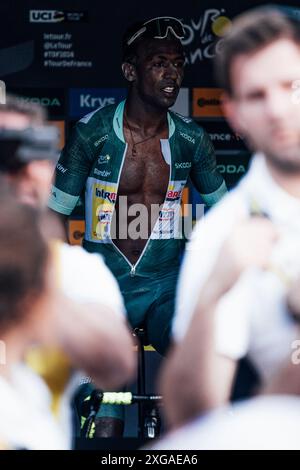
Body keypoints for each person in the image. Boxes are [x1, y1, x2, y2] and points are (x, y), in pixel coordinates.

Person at [47, 16, 227, 433]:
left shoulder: (192, 138)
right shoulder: (91, 134)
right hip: (107, 289)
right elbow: (54, 217)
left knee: (197, 386)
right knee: (106, 420)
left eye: (178, 63)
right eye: (159, 62)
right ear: (130, 71)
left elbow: (224, 214)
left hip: (166, 288)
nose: (172, 74)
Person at [164, 7, 300, 428]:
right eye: (257, 95)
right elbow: (193, 418)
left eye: (292, 86)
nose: (277, 109)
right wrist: (213, 293)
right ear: (234, 114)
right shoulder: (224, 235)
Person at [0, 97, 136, 440]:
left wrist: (33, 261)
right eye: (6, 155)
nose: (21, 171)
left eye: (33, 155)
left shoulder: (75, 269)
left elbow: (116, 363)